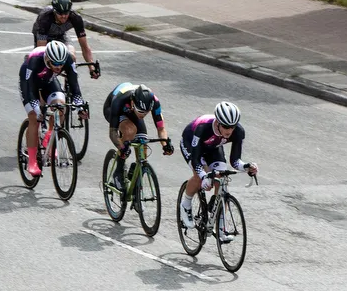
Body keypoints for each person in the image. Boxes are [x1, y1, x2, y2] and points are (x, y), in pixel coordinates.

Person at [178, 102, 258, 230]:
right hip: (191, 144)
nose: (229, 130)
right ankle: (186, 204)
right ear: (218, 123)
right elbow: (196, 160)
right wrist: (204, 176)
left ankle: (221, 226)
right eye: (226, 126)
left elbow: (235, 161)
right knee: (200, 177)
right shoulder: (203, 128)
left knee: (222, 180)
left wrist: (247, 167)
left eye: (232, 126)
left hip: (213, 147)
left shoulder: (238, 131)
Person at [103, 82, 173, 191]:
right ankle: (118, 172)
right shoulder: (120, 100)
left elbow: (161, 129)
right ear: (132, 102)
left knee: (143, 142)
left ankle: (137, 173)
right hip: (113, 108)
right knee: (130, 131)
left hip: (132, 111)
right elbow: (112, 133)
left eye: (147, 112)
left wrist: (165, 144)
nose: (143, 115)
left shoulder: (154, 102)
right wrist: (122, 148)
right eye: (141, 111)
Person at [32, 0, 98, 104]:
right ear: (54, 11)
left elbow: (84, 46)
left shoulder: (75, 18)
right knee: (45, 65)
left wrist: (91, 67)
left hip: (60, 36)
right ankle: (46, 94)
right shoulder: (45, 19)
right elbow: (42, 50)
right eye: (60, 13)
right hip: (44, 39)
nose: (64, 16)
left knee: (71, 55)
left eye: (66, 13)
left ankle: (69, 83)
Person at [18, 41, 71, 177]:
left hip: (48, 79)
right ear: (47, 59)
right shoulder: (35, 60)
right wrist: (36, 110)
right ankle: (31, 161)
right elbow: (30, 91)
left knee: (60, 106)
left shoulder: (66, 59)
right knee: (34, 118)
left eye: (61, 64)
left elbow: (75, 84)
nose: (59, 67)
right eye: (55, 63)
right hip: (29, 82)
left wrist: (80, 103)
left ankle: (49, 136)